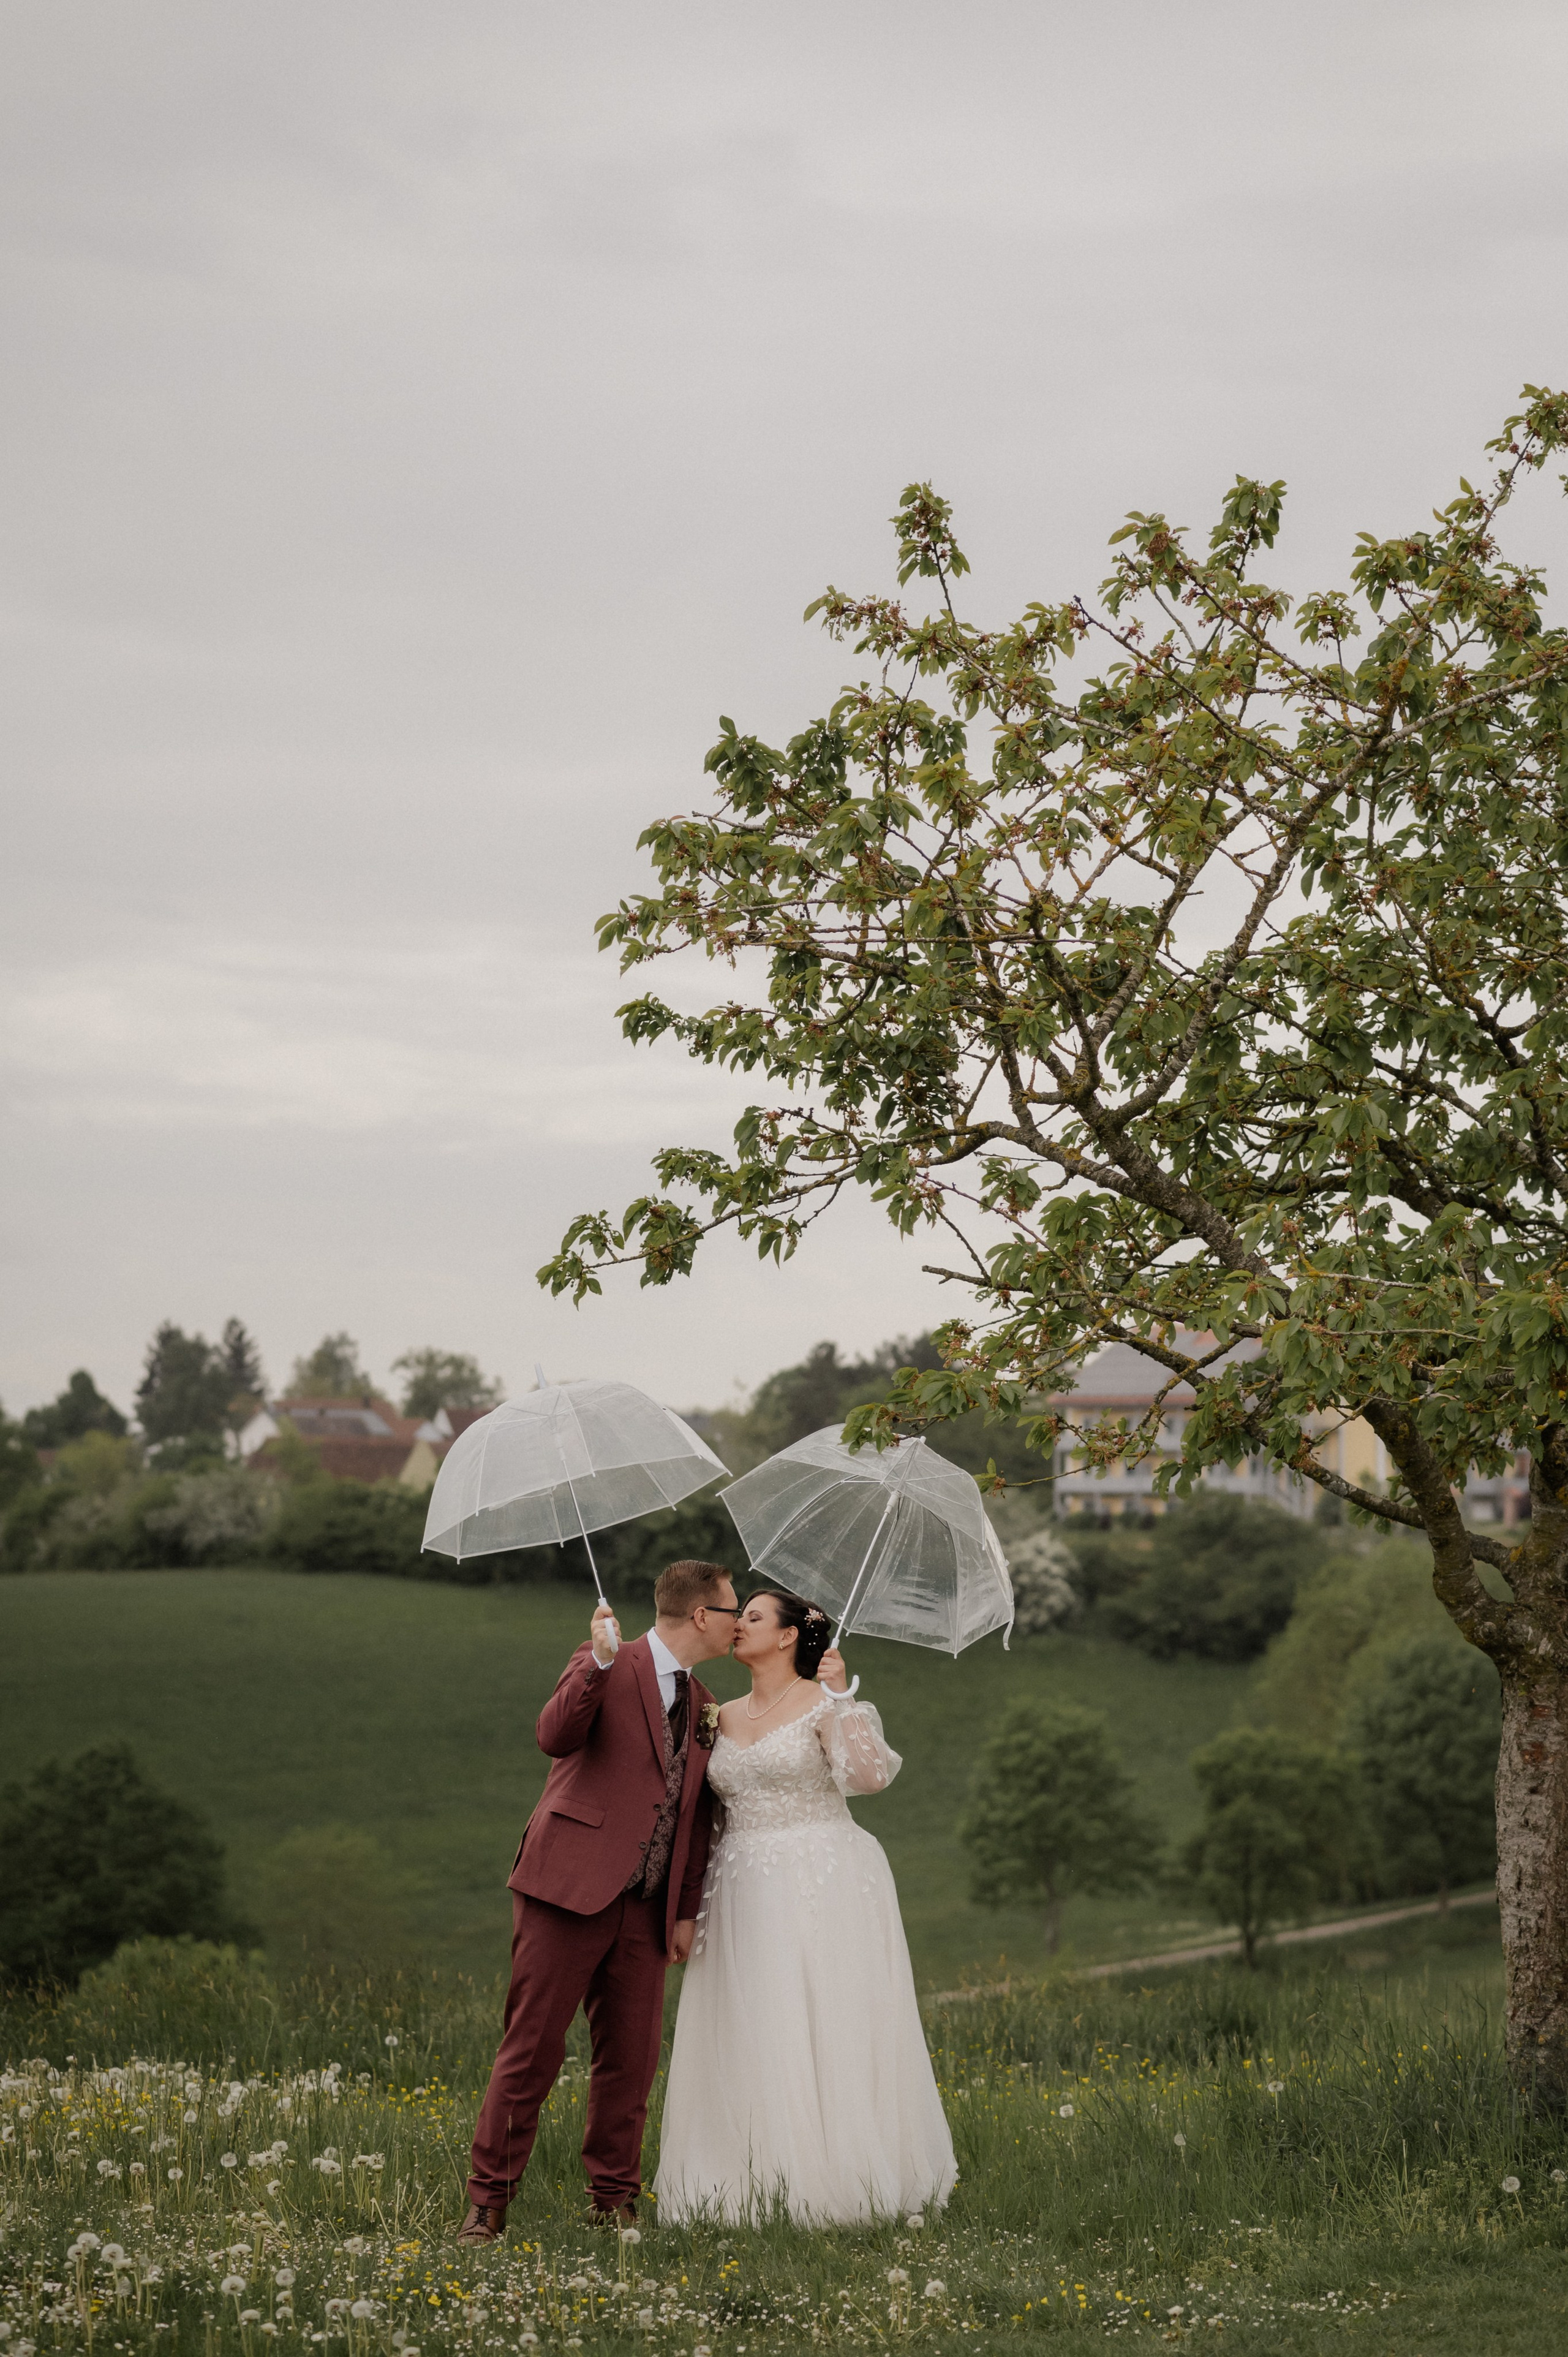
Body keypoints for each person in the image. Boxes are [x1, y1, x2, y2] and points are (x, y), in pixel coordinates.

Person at [457, 1557, 739, 2242]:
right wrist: (598, 1666)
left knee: (633, 2060)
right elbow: (553, 1736)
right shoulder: (603, 1658)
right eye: (733, 1611)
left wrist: (682, 1910)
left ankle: (613, 2201)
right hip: (567, 1886)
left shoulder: (705, 1705)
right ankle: (487, 2203)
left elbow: (696, 1817)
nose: (738, 1624)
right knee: (533, 2049)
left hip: (646, 1906)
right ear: (702, 1614)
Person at [655, 1586, 956, 2225]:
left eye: (754, 1617)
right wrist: (687, 1905)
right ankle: (741, 2177)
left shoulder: (823, 1702)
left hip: (820, 1874)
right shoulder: (720, 1712)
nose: (739, 1626)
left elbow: (869, 1778)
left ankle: (837, 2178)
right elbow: (706, 1815)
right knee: (751, 2018)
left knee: (822, 2016)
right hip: (738, 1882)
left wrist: (843, 1696)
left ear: (790, 1634)